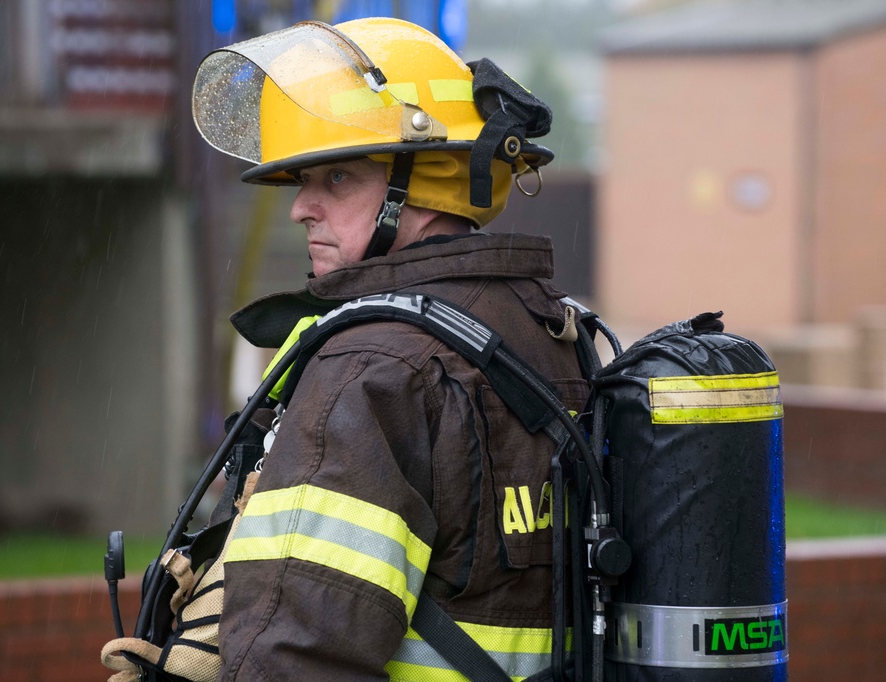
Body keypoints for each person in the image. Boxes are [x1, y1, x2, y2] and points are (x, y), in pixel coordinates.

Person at [192, 17, 589, 681]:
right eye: (301, 183)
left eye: (337, 179)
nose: (301, 208)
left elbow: (289, 660)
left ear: (427, 179)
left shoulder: (373, 368)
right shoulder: (555, 334)